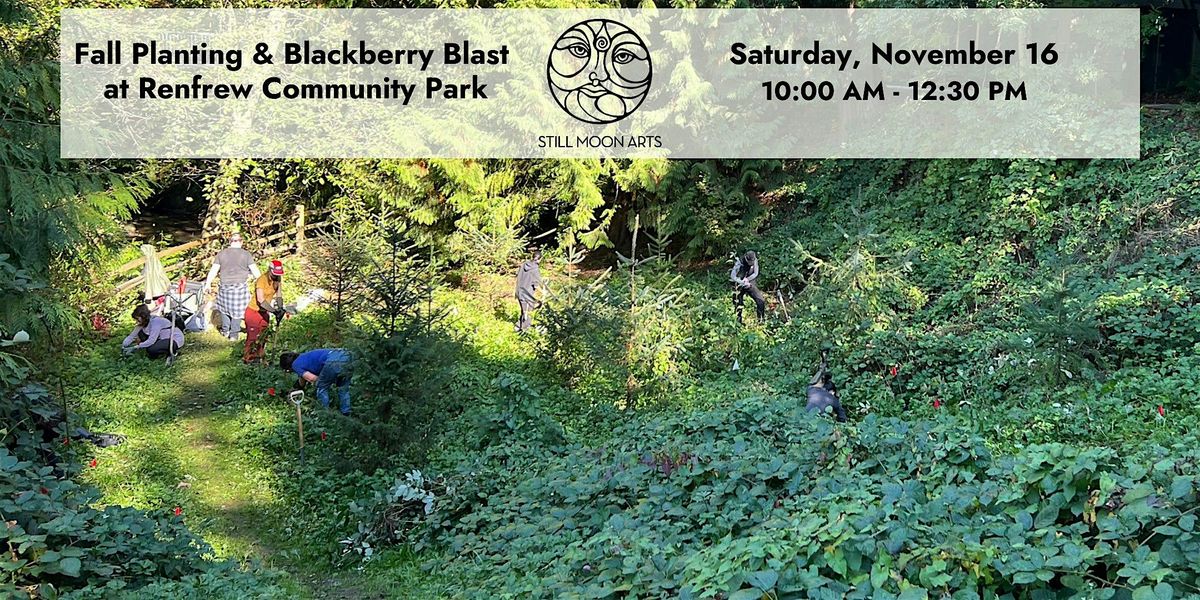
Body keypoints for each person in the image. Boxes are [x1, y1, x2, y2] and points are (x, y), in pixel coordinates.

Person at [202, 233, 259, 341]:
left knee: (224, 309)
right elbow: (255, 271)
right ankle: (234, 334)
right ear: (241, 242)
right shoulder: (246, 255)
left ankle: (225, 331)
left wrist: (208, 283)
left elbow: (213, 270)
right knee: (238, 311)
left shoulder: (222, 254)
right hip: (240, 288)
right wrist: (260, 283)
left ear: (230, 242)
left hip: (225, 287)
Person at [279, 348, 352, 416]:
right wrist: (297, 387)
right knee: (343, 388)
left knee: (321, 387)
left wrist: (327, 381)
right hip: (345, 356)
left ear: (287, 367)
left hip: (332, 362)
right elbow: (302, 379)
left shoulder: (295, 365)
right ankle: (346, 413)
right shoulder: (302, 357)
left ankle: (324, 414)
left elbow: (312, 379)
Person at [244, 260, 285, 364]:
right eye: (275, 274)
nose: (276, 276)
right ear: (270, 270)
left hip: (264, 313)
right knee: (253, 337)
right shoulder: (261, 280)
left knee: (263, 336)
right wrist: (274, 311)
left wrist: (280, 308)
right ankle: (249, 359)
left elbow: (279, 296)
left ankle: (260, 357)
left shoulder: (277, 280)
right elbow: (261, 300)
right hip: (253, 312)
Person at [806, 349, 847, 422]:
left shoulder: (810, 390)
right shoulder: (832, 399)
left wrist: (824, 359)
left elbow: (817, 379)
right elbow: (842, 418)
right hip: (819, 422)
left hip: (806, 419)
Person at [730, 250, 766, 323]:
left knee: (760, 301)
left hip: (750, 280)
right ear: (746, 259)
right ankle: (738, 322)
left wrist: (747, 280)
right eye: (750, 262)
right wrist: (742, 282)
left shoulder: (755, 260)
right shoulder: (739, 262)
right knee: (738, 303)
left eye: (753, 262)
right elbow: (733, 276)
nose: (752, 264)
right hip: (739, 282)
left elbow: (755, 273)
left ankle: (761, 321)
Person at [514, 250, 544, 334]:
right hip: (528, 295)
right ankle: (524, 330)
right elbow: (536, 284)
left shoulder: (523, 265)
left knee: (524, 311)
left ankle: (518, 326)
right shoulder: (535, 269)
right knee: (527, 313)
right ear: (539, 259)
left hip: (519, 292)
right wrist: (543, 292)